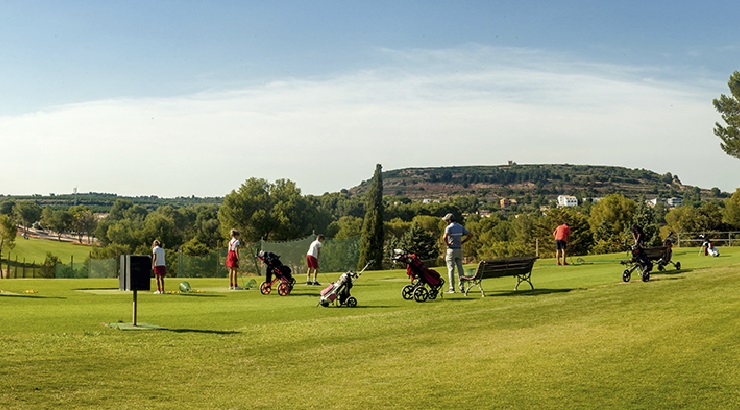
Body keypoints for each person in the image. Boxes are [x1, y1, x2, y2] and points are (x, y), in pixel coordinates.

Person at [442, 213, 473, 293]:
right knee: (460, 269)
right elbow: (470, 235)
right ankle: (462, 287)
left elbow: (445, 237)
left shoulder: (448, 227)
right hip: (459, 249)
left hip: (451, 250)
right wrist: (462, 242)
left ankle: (452, 288)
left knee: (451, 269)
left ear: (449, 220)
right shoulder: (460, 227)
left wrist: (447, 243)